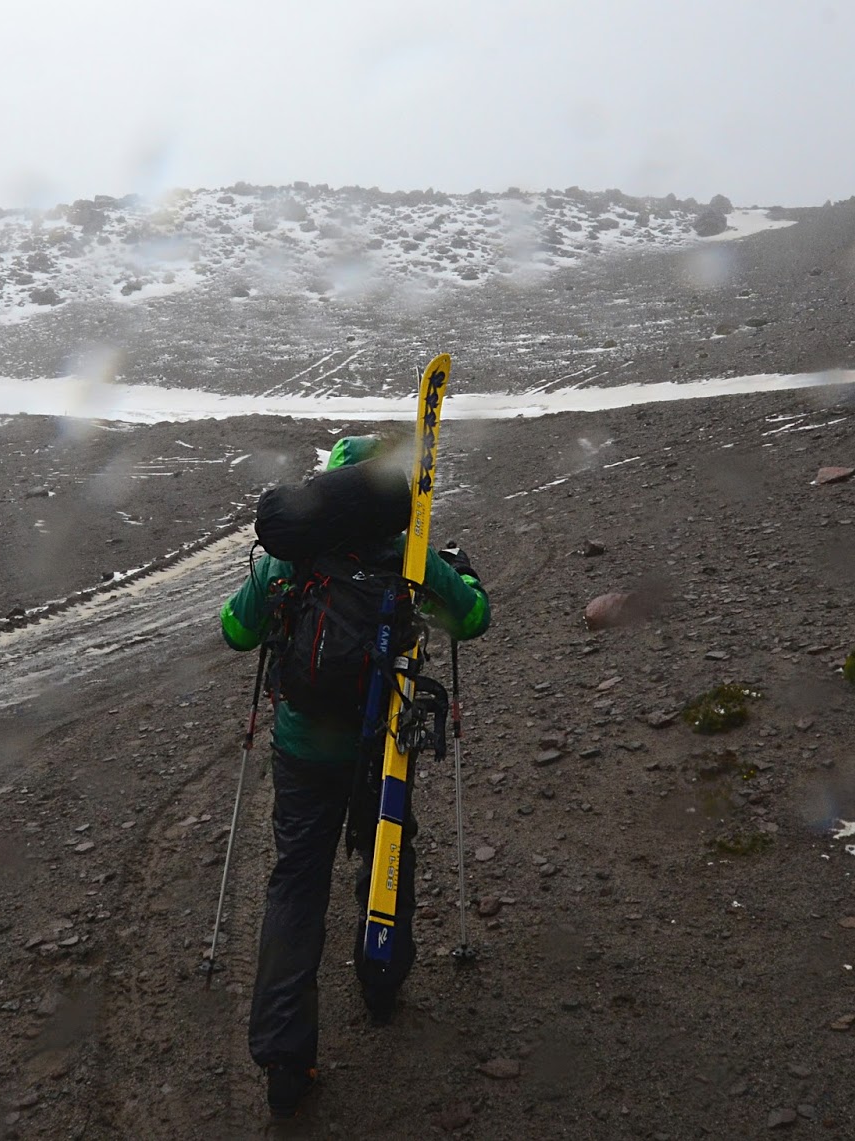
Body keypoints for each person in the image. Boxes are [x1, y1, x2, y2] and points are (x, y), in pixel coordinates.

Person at [218, 434, 491, 1120]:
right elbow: (474, 618)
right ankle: (381, 979)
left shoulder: (291, 555)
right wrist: (465, 579)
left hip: (303, 747)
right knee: (390, 846)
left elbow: (235, 632)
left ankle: (286, 1057)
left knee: (296, 881)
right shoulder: (408, 548)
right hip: (383, 740)